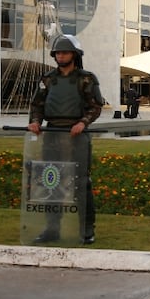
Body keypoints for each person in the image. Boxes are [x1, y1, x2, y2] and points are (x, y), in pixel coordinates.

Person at [28, 34, 104, 245]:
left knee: (81, 184)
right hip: (52, 134)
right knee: (51, 182)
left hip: (76, 136)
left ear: (75, 54)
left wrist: (82, 123)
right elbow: (37, 105)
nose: (60, 56)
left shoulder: (86, 79)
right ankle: (52, 229)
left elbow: (95, 106)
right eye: (58, 52)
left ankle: (86, 230)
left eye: (65, 52)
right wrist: (35, 122)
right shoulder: (47, 80)